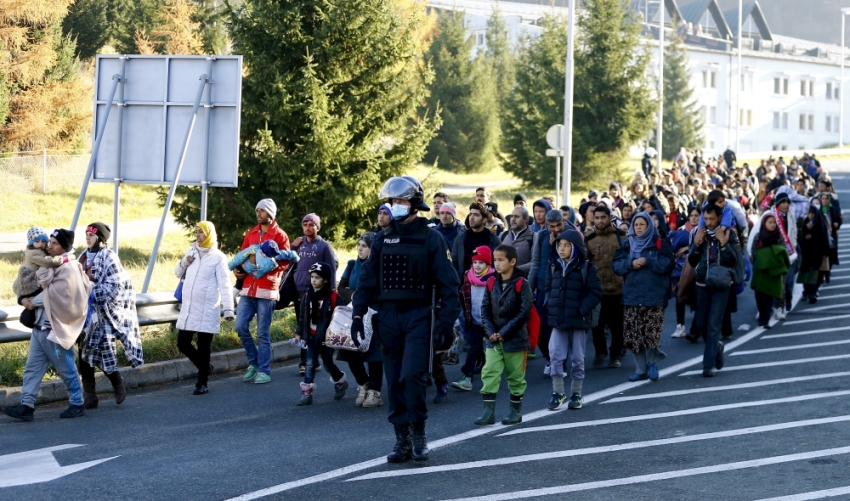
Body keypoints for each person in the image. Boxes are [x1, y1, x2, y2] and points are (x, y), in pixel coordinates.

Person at [351, 176, 460, 463]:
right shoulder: (382, 239)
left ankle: (419, 433)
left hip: (419, 316)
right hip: (388, 318)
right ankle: (401, 438)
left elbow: (450, 285)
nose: (394, 207)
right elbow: (366, 280)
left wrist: (447, 324)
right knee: (394, 382)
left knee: (413, 376)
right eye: (392, 202)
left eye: (400, 201)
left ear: (413, 204)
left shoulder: (431, 237)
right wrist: (358, 313)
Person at [3, 229, 91, 421]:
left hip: (56, 331)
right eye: (49, 242)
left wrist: (29, 302)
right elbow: (32, 287)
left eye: (54, 243)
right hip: (39, 328)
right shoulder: (51, 265)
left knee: (66, 368)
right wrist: (23, 298)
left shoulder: (69, 268)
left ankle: (77, 402)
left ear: (64, 247)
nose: (49, 246)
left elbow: (54, 294)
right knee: (32, 369)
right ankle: (27, 406)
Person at [78, 223, 143, 407]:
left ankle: (117, 382)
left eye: (91, 235)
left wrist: (92, 293)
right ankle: (90, 395)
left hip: (104, 311)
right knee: (83, 353)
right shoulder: (83, 255)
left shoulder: (109, 257)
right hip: (86, 312)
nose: (88, 237)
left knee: (104, 350)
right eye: (86, 234)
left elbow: (115, 285)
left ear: (100, 238)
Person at [174, 222, 234, 395]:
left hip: (208, 307)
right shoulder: (191, 252)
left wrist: (229, 308)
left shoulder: (218, 257)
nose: (198, 235)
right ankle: (204, 367)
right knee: (182, 342)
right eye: (196, 232)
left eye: (201, 232)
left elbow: (225, 283)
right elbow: (177, 272)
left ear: (209, 234)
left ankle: (202, 382)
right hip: (190, 306)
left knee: (203, 346)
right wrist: (185, 261)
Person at [235, 199, 291, 384]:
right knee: (240, 326)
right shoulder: (251, 233)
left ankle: (264, 370)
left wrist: (266, 267)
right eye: (257, 210)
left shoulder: (280, 236)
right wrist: (239, 269)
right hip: (248, 289)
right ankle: (254, 363)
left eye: (261, 211)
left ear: (270, 214)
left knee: (262, 333)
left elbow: (285, 261)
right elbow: (242, 254)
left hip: (267, 290)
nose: (258, 214)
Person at [474, 245, 532, 426]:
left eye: (501, 260)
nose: (496, 264)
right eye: (495, 260)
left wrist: (503, 332)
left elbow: (524, 312)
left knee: (515, 377)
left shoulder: (522, 284)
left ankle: (515, 411)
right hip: (493, 339)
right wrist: (491, 332)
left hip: (515, 339)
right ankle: (488, 412)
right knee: (489, 372)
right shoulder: (491, 282)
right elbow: (485, 309)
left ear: (512, 262)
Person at [612, 212, 674, 382]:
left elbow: (668, 265)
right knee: (634, 336)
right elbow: (616, 266)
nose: (639, 228)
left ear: (649, 226)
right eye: (636, 224)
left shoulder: (660, 244)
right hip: (632, 297)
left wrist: (648, 261)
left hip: (654, 297)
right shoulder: (626, 245)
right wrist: (630, 264)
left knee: (651, 334)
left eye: (642, 224)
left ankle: (652, 363)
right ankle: (640, 370)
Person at [545, 230, 602, 410]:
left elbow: (596, 293)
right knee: (555, 354)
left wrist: (581, 309)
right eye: (559, 245)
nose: (561, 249)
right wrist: (549, 303)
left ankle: (576, 393)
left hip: (578, 319)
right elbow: (547, 288)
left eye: (566, 245)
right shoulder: (553, 266)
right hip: (558, 319)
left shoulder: (587, 268)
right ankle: (558, 392)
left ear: (575, 248)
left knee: (578, 357)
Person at [687, 204, 738, 377]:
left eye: (712, 219)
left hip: (721, 285)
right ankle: (716, 346)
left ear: (719, 218)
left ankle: (708, 365)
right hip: (702, 284)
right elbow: (692, 262)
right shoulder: (697, 233)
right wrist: (695, 245)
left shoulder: (729, 233)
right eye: (706, 219)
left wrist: (723, 242)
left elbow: (734, 260)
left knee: (713, 325)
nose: (709, 223)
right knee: (701, 323)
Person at [286, 213, 336, 375]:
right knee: (302, 327)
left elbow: (331, 270)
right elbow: (286, 259)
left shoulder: (324, 246)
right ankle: (308, 360)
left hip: (317, 293)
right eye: (305, 224)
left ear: (317, 227)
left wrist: (331, 293)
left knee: (314, 327)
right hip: (299, 291)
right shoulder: (300, 244)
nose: (307, 228)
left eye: (311, 225)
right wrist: (292, 246)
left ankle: (309, 361)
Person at [337, 233, 384, 408]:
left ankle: (375, 391)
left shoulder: (379, 266)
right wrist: (354, 295)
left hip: (374, 312)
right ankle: (363, 383)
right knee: (350, 349)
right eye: (359, 245)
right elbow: (341, 287)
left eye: (364, 246)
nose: (360, 249)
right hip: (353, 311)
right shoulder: (352, 264)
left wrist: (367, 296)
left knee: (373, 354)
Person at [295, 262, 348, 405]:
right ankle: (307, 392)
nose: (313, 280)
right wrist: (299, 333)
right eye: (312, 277)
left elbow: (342, 313)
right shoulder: (307, 295)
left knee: (327, 363)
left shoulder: (333, 296)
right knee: (310, 363)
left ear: (325, 280)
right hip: (311, 336)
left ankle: (340, 382)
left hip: (326, 336)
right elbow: (302, 317)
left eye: (317, 277)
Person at [585, 206, 626, 368]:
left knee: (617, 326)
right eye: (597, 218)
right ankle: (600, 352)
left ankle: (615, 355)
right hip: (598, 290)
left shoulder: (620, 236)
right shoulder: (589, 239)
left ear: (610, 218)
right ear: (593, 219)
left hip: (618, 288)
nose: (600, 221)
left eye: (603, 217)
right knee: (597, 325)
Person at [453, 246, 496, 392]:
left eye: (481, 263)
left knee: (493, 351)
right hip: (475, 320)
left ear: (488, 265)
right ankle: (467, 379)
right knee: (472, 349)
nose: (477, 266)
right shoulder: (467, 276)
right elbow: (462, 297)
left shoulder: (494, 279)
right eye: (475, 262)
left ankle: (493, 378)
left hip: (490, 322)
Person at [528, 210, 566, 372]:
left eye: (558, 225)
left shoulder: (571, 235)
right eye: (552, 226)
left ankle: (560, 363)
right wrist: (529, 289)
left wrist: (555, 247)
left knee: (559, 329)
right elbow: (535, 263)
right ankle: (550, 358)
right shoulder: (541, 236)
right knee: (542, 327)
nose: (556, 229)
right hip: (543, 288)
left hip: (563, 288)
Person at [748, 213, 791, 329]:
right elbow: (754, 252)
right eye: (769, 222)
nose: (772, 225)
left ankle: (766, 320)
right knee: (760, 296)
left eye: (774, 223)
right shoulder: (758, 236)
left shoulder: (778, 237)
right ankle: (762, 316)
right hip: (761, 271)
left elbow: (782, 252)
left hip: (774, 272)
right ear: (764, 223)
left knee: (769, 296)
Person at [765, 192, 797, 319]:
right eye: (783, 202)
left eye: (787, 202)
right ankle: (771, 307)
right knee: (771, 283)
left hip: (787, 254)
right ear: (777, 204)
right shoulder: (769, 215)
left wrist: (793, 248)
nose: (786, 205)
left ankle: (781, 305)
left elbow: (794, 233)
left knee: (786, 283)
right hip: (772, 254)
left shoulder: (791, 216)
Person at [451, 202, 500, 278]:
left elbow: (497, 263)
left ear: (484, 220)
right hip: (464, 284)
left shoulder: (493, 239)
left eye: (476, 215)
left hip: (486, 283)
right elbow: (454, 261)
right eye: (470, 214)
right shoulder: (461, 238)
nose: (472, 217)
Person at [798, 203, 831, 303]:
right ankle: (806, 291)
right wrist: (806, 231)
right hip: (805, 252)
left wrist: (813, 236)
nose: (811, 215)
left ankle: (812, 293)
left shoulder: (820, 222)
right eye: (809, 213)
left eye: (812, 213)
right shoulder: (803, 222)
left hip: (817, 252)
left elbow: (823, 236)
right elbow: (798, 235)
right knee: (805, 272)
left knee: (814, 272)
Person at [500, 206, 535, 273]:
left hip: (523, 279)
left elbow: (535, 262)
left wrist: (515, 269)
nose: (513, 219)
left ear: (526, 219)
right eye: (512, 216)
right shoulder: (503, 236)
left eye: (516, 217)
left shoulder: (534, 237)